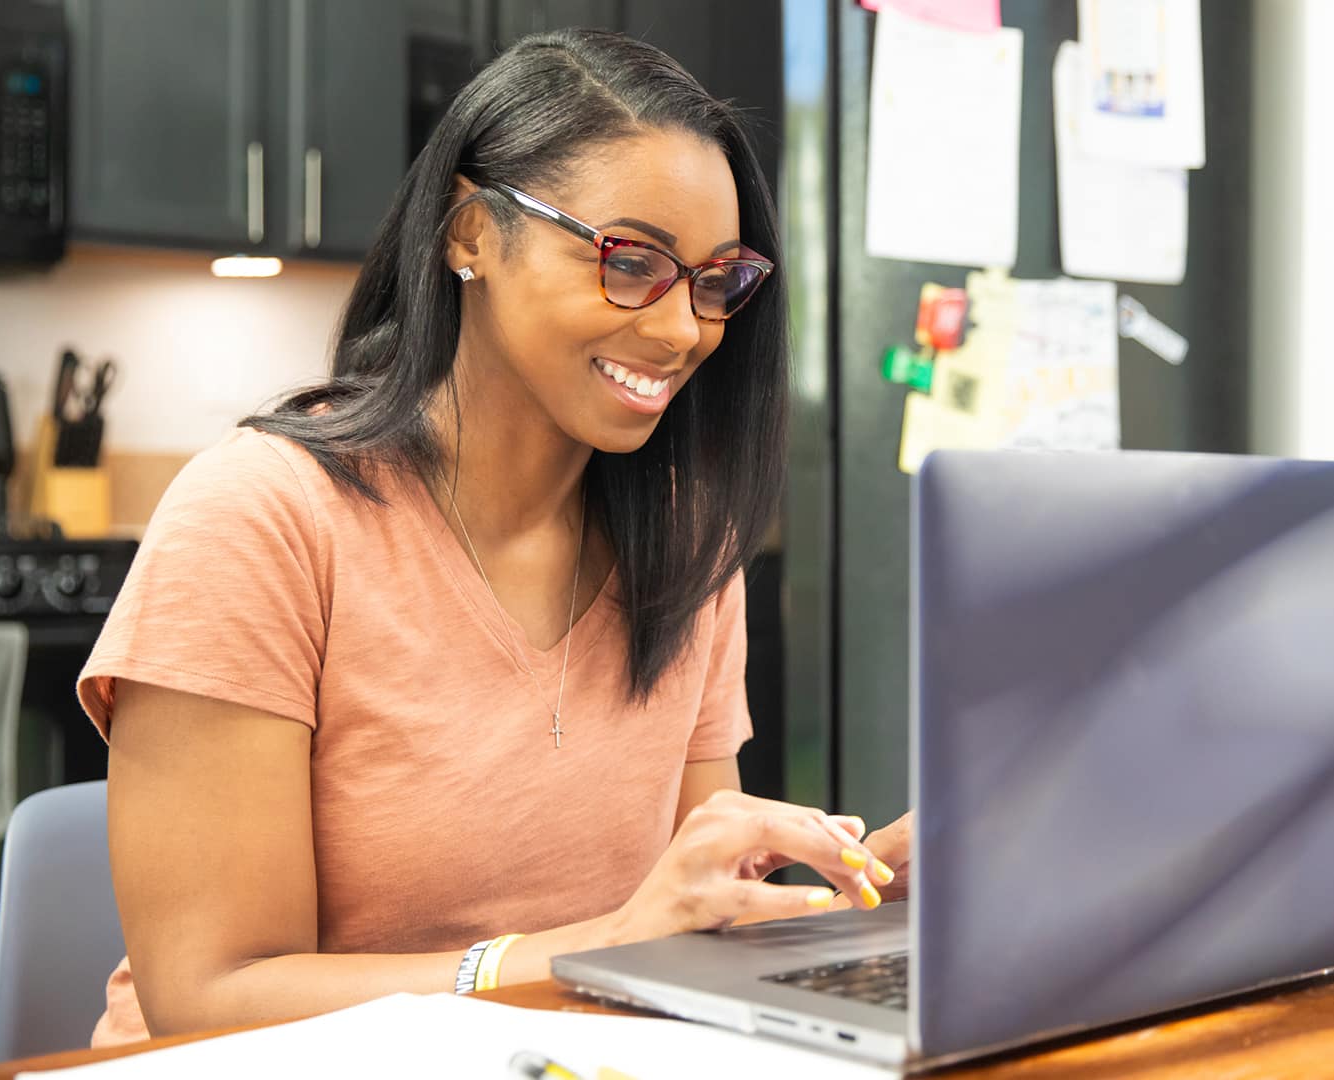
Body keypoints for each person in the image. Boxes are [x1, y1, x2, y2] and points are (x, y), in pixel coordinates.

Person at [79, 29, 909, 1047]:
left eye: (715, 281)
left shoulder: (686, 547)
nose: (683, 329)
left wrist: (856, 909)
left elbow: (684, 918)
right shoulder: (262, 520)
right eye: (631, 260)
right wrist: (583, 949)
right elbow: (206, 1002)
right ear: (471, 233)